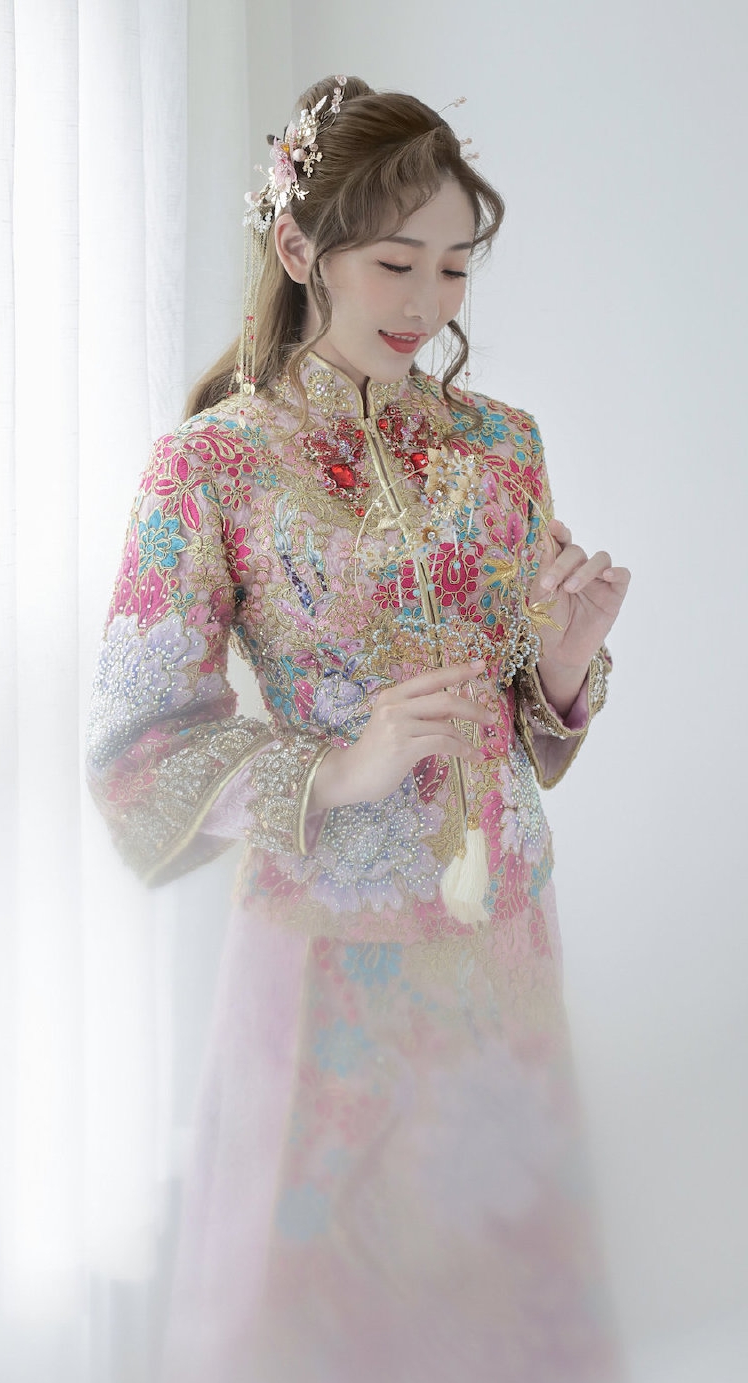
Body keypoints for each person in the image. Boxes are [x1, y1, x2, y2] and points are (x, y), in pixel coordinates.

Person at [86, 75, 630, 1383]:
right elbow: (138, 749)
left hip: (500, 933)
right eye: (396, 262)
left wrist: (565, 665)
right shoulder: (210, 467)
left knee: (500, 1308)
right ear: (298, 248)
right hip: (328, 947)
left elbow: (527, 725)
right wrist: (343, 767)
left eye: (454, 266)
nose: (428, 301)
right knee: (316, 1324)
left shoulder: (502, 447)